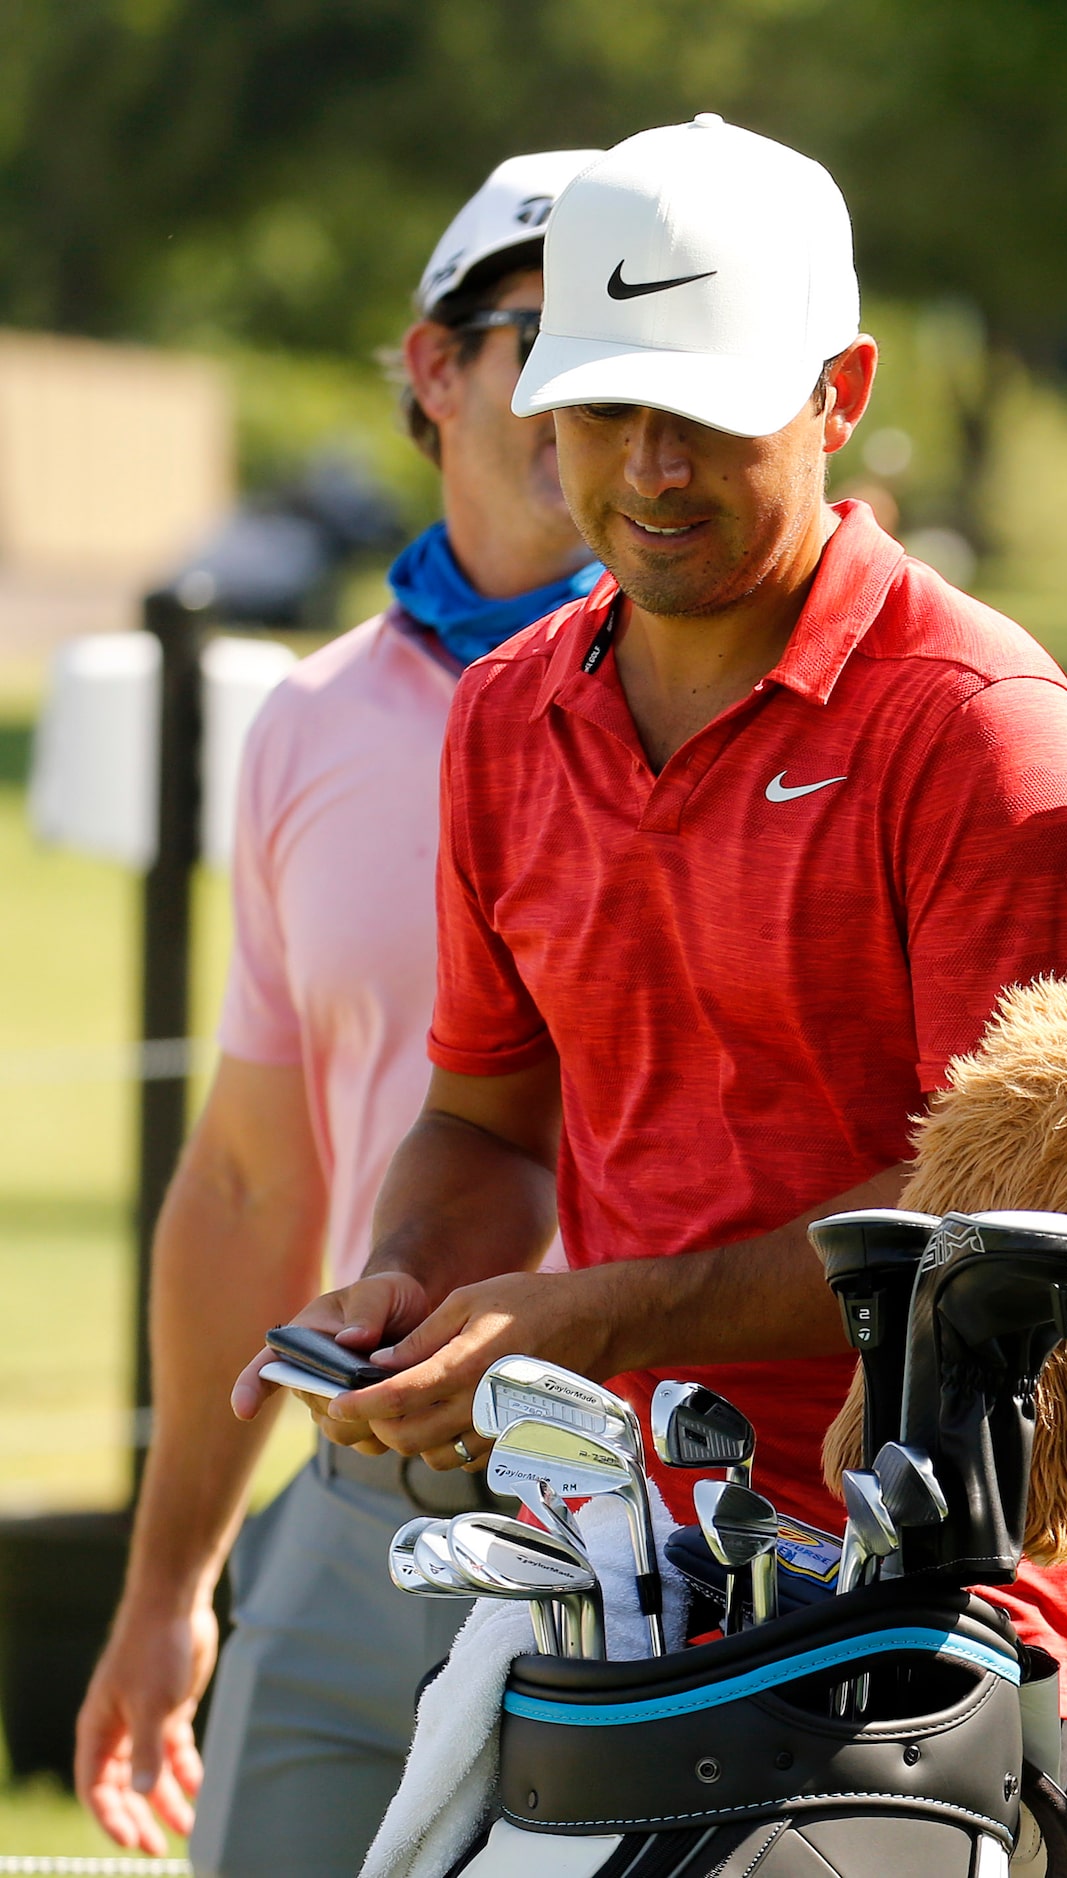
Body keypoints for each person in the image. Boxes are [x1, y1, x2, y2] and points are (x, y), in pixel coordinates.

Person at [237, 116, 1067, 1872]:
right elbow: (487, 1108)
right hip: (627, 1604)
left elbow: (1008, 1230)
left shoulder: (975, 722)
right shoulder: (508, 716)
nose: (647, 467)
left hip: (933, 1641)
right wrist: (422, 1285)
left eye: (707, 414)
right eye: (599, 410)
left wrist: (591, 1319)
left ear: (842, 390)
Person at [72, 150, 604, 1874]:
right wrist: (169, 1589)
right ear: (432, 372)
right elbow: (245, 1179)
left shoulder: (750, 698)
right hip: (356, 1507)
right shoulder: (305, 724)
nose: (600, 383)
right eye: (547, 329)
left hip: (650, 1521)